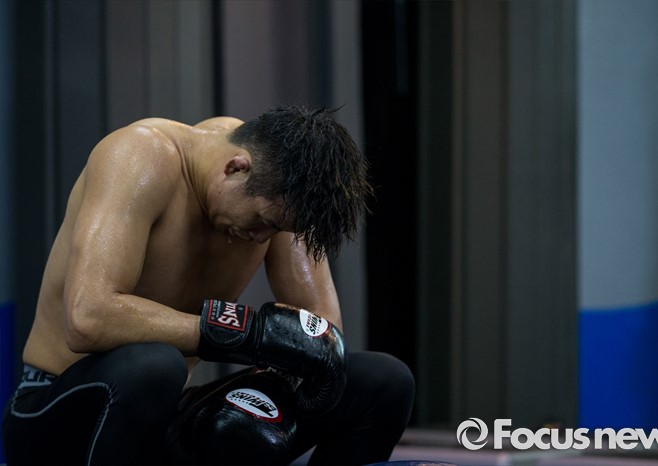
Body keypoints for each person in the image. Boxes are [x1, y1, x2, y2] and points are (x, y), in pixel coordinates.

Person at [1, 106, 415, 465]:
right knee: (153, 365)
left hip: (162, 419)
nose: (262, 238)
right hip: (61, 412)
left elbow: (321, 340)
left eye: (277, 230)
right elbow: (87, 318)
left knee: (382, 380)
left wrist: (269, 388)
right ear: (235, 168)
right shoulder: (139, 157)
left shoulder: (281, 195)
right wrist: (244, 334)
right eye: (264, 223)